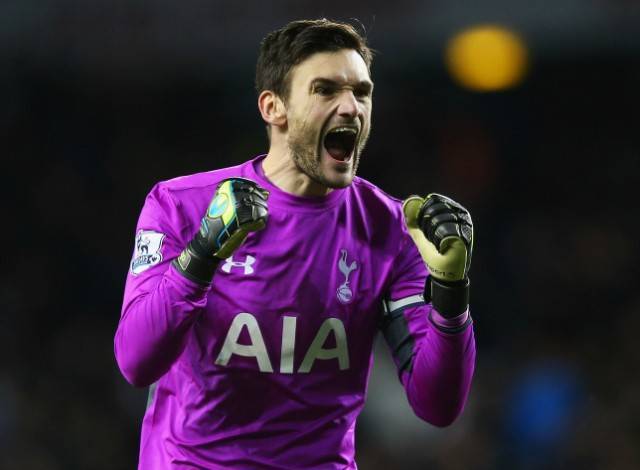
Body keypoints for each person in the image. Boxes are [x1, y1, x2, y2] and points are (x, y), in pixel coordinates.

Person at [115, 18, 476, 469]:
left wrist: (450, 291)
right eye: (325, 90)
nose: (351, 107)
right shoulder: (181, 206)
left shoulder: (392, 229)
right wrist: (201, 254)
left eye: (361, 92)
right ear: (274, 107)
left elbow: (438, 407)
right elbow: (136, 361)